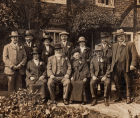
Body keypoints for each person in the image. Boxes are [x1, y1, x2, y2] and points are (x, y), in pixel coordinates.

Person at [111, 29, 138, 104]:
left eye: (122, 36)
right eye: (119, 37)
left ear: (124, 36)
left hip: (126, 66)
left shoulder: (130, 44)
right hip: (116, 67)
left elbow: (134, 55)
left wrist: (132, 64)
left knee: (128, 82)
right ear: (117, 38)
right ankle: (119, 96)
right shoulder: (114, 45)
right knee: (117, 82)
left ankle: (128, 97)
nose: (120, 38)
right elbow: (112, 56)